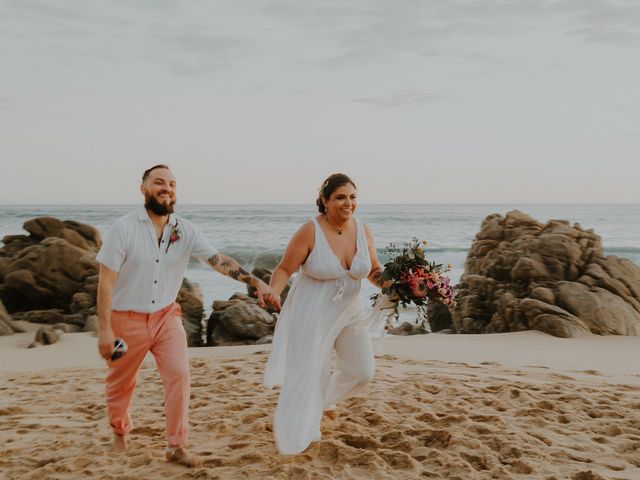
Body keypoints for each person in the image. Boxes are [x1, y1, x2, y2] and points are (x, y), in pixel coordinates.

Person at [96, 164, 279, 467]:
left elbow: (218, 260)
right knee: (121, 382)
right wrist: (104, 330)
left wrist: (253, 280)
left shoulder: (185, 229)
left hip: (167, 317)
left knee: (179, 376)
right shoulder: (124, 228)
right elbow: (106, 281)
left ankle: (176, 446)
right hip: (126, 320)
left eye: (171, 183)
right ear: (144, 189)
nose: (166, 188)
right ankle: (119, 429)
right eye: (158, 182)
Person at [263, 173, 387, 455]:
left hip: (350, 312)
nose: (349, 203)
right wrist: (274, 291)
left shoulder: (362, 229)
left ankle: (316, 404)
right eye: (341, 197)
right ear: (324, 201)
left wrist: (402, 284)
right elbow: (284, 269)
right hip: (312, 313)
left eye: (353, 197)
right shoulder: (310, 231)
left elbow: (374, 270)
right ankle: (302, 421)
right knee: (311, 374)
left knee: (362, 371)